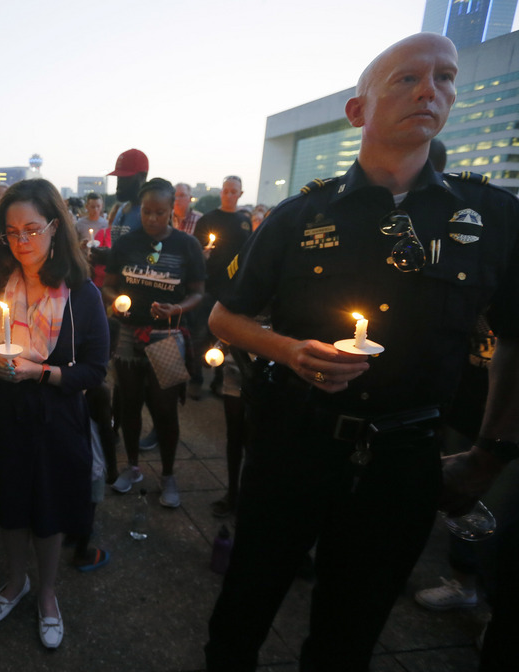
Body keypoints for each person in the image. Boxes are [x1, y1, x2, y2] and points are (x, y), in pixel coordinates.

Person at [204, 33, 519, 671]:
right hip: (294, 442)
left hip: (403, 463)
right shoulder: (298, 216)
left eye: (446, 78)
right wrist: (290, 350)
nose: (430, 90)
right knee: (244, 607)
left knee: (351, 631)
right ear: (359, 110)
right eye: (406, 79)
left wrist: (490, 453)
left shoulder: (491, 218)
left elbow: (516, 334)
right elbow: (226, 316)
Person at [0, 179, 108, 649]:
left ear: (54, 226)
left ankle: (47, 593)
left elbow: (94, 368)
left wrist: (40, 374)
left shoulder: (82, 294)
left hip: (54, 418)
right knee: (9, 506)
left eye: (32, 228)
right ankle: (15, 580)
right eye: (11, 232)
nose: (22, 241)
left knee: (48, 510)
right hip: (3, 415)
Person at [103, 178, 204, 506]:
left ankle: (169, 474)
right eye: (147, 212)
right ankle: (132, 466)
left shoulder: (186, 246)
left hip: (168, 335)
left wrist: (177, 308)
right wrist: (116, 300)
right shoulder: (127, 244)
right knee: (129, 404)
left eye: (160, 213)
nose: (152, 219)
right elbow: (108, 285)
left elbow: (198, 292)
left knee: (164, 409)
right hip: (130, 334)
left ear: (171, 210)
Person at [189, 176, 252, 400]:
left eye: (233, 191)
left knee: (224, 338)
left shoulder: (244, 222)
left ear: (240, 194)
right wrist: (202, 255)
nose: (228, 195)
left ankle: (218, 380)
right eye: (225, 191)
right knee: (199, 334)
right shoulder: (208, 219)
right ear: (221, 193)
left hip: (231, 290)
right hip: (208, 286)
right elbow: (195, 252)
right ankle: (195, 379)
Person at [108, 149, 148, 241]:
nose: (119, 183)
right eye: (118, 177)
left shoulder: (150, 215)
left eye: (125, 178)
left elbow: (155, 253)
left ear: (143, 176)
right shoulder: (122, 209)